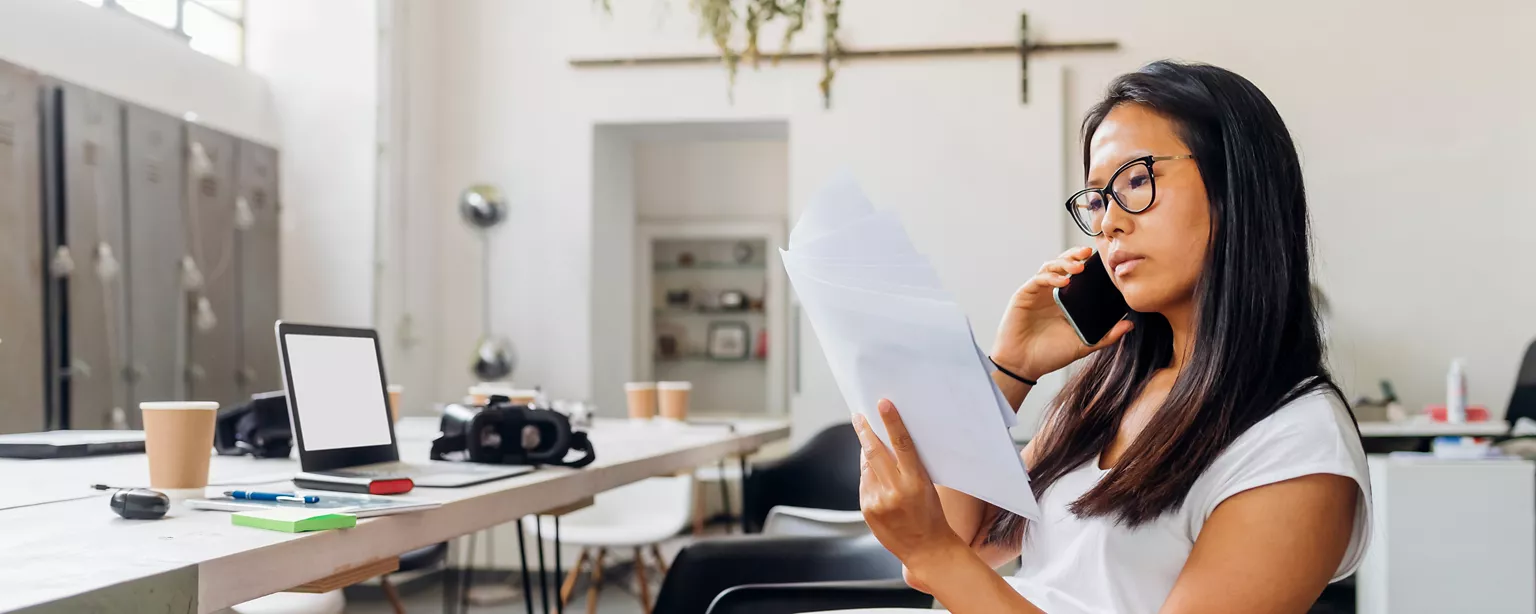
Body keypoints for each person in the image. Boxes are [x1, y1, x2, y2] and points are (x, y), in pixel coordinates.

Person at [852, 60, 1371, 614]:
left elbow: (940, 557)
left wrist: (934, 554)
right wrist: (1011, 369)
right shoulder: (1105, 394)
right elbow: (956, 544)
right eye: (1098, 199)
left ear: (1235, 187)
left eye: (1137, 181)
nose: (1109, 223)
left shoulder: (1297, 443)